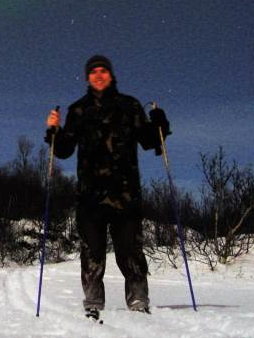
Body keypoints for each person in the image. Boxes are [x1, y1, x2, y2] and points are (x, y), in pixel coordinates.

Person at [44, 54, 170, 321]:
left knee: (130, 251)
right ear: (87, 77)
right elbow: (65, 150)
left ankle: (138, 300)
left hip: (126, 195)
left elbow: (149, 140)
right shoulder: (78, 110)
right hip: (90, 196)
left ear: (111, 75)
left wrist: (159, 122)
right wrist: (53, 131)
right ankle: (92, 302)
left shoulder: (129, 105)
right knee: (92, 251)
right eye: (93, 72)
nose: (98, 75)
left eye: (103, 71)